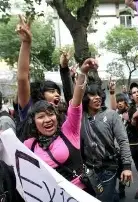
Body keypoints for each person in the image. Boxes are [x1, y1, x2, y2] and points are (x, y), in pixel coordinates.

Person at [23, 58, 97, 191]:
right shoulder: (29, 145)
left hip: (81, 195)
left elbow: (75, 103)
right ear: (33, 122)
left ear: (57, 117)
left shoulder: (69, 131)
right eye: (41, 117)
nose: (47, 120)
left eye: (50, 114)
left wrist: (83, 72)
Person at [80, 84, 132, 202]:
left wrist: (127, 166)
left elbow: (123, 141)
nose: (97, 97)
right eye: (92, 94)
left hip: (108, 167)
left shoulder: (111, 115)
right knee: (108, 197)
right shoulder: (80, 117)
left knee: (104, 200)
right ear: (85, 98)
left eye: (99, 94)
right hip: (89, 170)